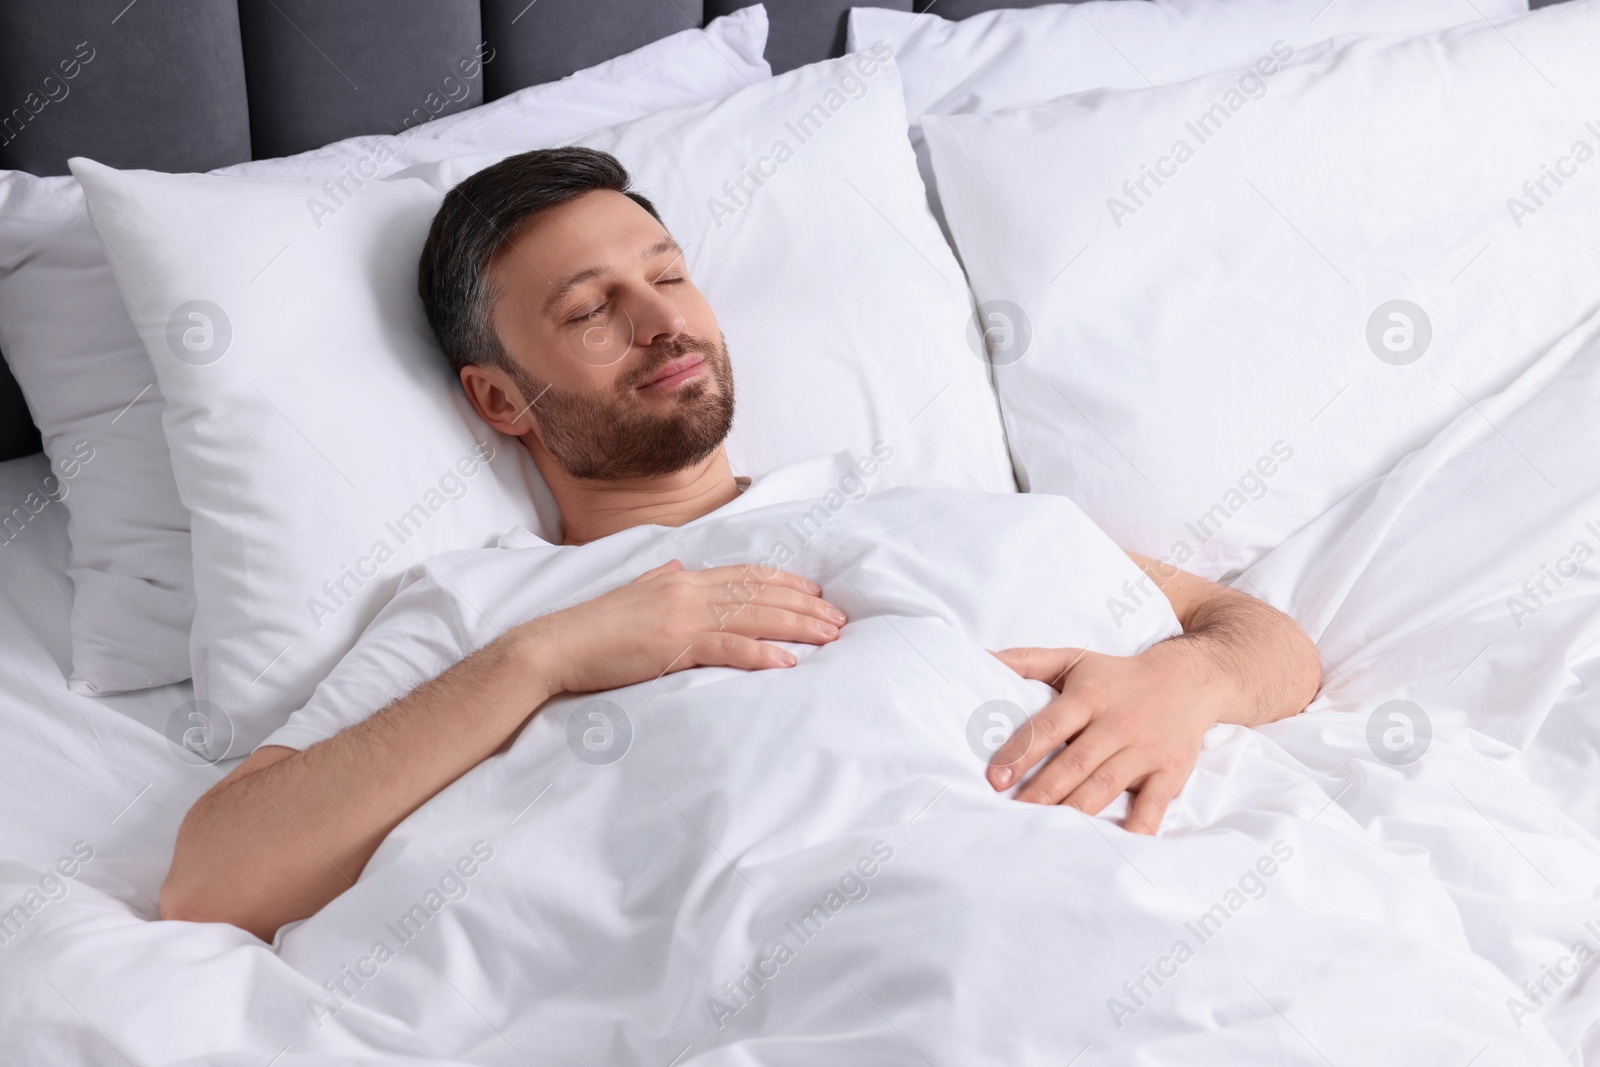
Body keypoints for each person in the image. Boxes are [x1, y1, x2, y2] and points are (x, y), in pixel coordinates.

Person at [158, 148, 1321, 941]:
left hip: (1130, 903)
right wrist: (547, 657)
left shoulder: (912, 495)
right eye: (588, 309)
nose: (662, 318)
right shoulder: (482, 609)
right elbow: (215, 877)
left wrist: (1182, 682)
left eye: (667, 275)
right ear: (501, 401)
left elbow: (1263, 637)